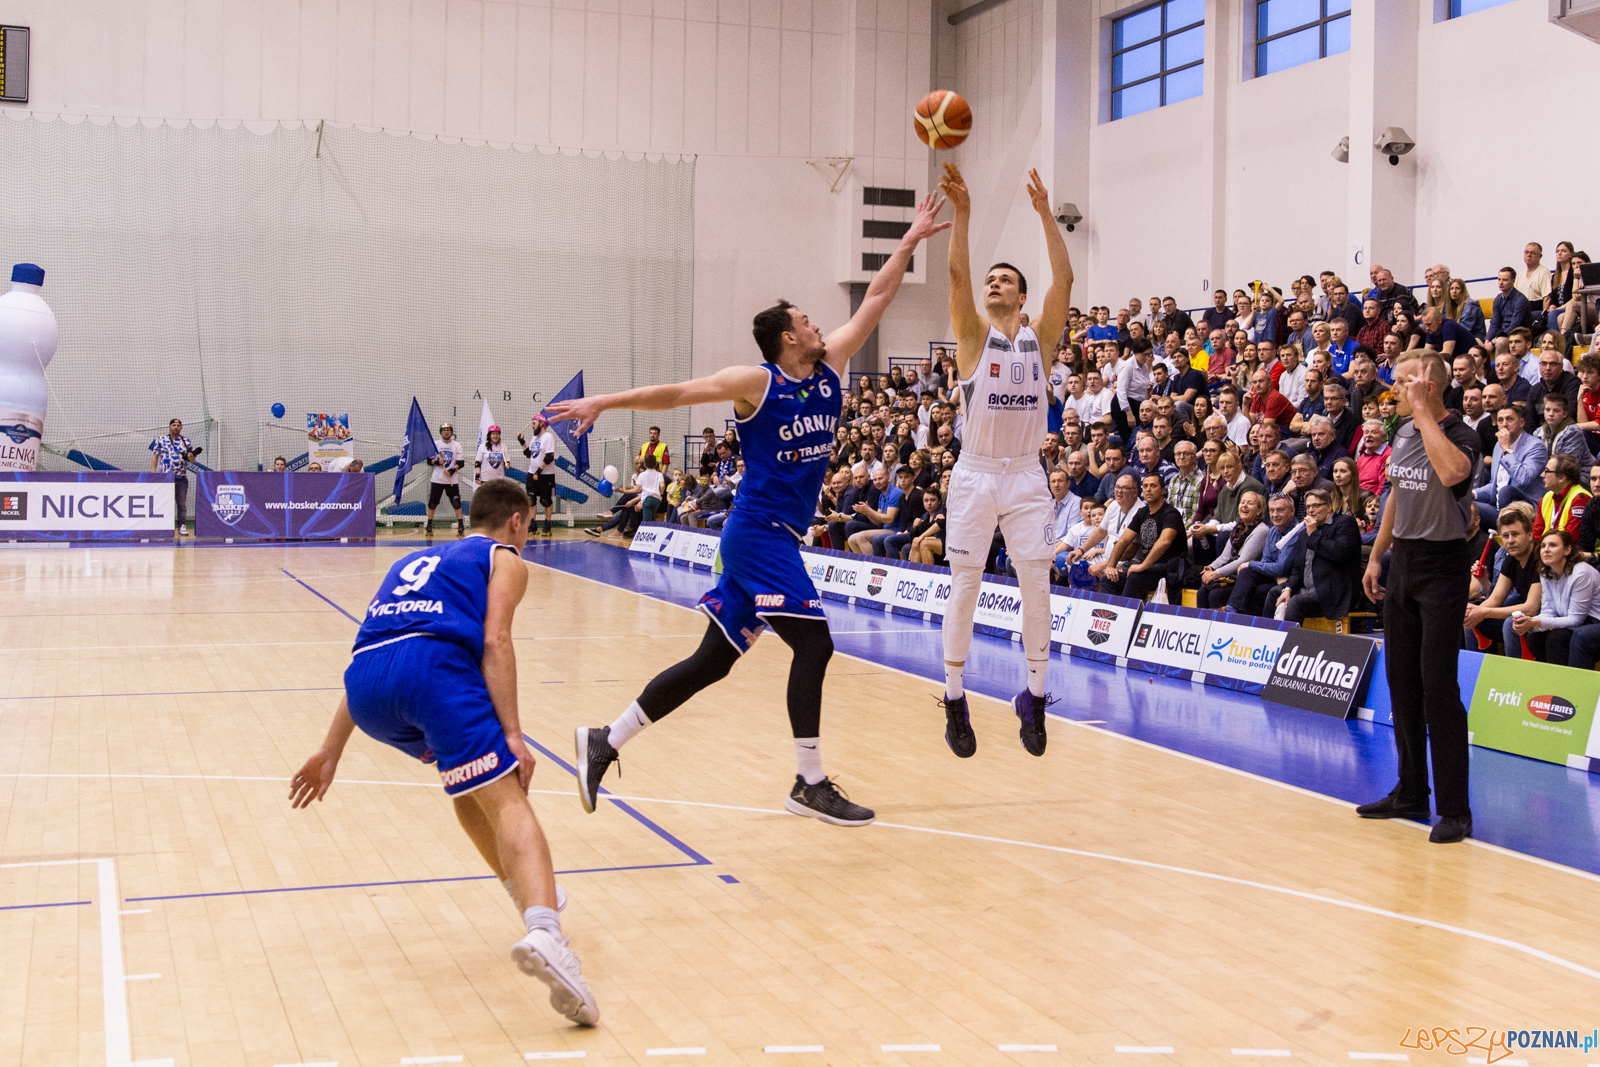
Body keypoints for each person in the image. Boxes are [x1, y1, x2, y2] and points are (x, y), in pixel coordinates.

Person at [550, 192, 947, 827]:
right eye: (810, 320)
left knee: (712, 661)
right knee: (815, 645)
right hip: (756, 534)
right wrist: (606, 400)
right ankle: (809, 782)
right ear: (789, 336)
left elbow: (875, 299)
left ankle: (606, 739)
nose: (821, 326)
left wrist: (909, 241)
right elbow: (679, 393)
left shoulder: (830, 367)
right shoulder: (757, 384)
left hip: (773, 539)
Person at [287, 479, 599, 1026]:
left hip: (365, 689)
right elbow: (495, 640)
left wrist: (330, 750)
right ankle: (546, 931)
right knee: (508, 796)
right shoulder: (505, 557)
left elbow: (383, 647)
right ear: (518, 522)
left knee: (466, 784)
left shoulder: (416, 557)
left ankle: (528, 894)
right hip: (432, 676)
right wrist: (515, 735)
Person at [933, 163, 1072, 761]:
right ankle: (956, 697)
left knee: (1036, 583)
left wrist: (1044, 214)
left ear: (1019, 294)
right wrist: (962, 215)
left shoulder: (1040, 340)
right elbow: (958, 272)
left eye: (1004, 279)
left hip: (1025, 475)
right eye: (990, 278)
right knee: (964, 583)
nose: (992, 283)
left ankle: (1034, 698)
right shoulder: (971, 335)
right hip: (975, 473)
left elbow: (1063, 280)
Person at [1359, 351, 1481, 844]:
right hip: (1404, 561)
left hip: (1443, 566)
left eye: (1406, 381)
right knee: (1402, 685)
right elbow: (1395, 496)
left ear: (1429, 386)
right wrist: (1376, 556)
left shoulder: (1460, 435)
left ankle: (1455, 810)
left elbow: (1452, 475)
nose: (1394, 388)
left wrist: (1426, 411)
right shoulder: (1403, 432)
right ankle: (1411, 791)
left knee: (1438, 690)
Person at [1510, 530, 1600, 664]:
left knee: (1557, 638)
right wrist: (1529, 623)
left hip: (1593, 622)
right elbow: (1548, 611)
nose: (1546, 550)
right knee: (1535, 635)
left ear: (1567, 550)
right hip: (1572, 621)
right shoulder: (1545, 573)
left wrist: (1535, 622)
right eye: (1543, 546)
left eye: (1552, 545)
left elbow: (1576, 619)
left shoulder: (1581, 573)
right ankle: (1542, 681)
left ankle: (1566, 684)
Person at [1273, 489, 1361, 623]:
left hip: (1333, 592)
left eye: (1315, 506)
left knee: (1296, 602)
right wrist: (1288, 588)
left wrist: (1314, 535)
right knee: (1274, 593)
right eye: (1308, 507)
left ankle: (1289, 642)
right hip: (1307, 590)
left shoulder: (1345, 523)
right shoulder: (1305, 533)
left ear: (1328, 507)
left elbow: (1340, 552)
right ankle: (1270, 640)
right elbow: (1297, 569)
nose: (1311, 510)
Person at [1464, 503, 1540, 653]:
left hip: (1547, 617)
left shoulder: (1539, 559)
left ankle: (1515, 675)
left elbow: (1531, 607)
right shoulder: (1511, 559)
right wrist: (1473, 612)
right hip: (1527, 616)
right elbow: (1495, 599)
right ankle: (1480, 674)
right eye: (1505, 536)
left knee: (1510, 624)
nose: (1510, 540)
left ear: (1530, 535)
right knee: (1473, 622)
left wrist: (1483, 612)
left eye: (1515, 534)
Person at [1098, 473, 1185, 600]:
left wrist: (1142, 566)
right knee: (1109, 579)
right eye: (1145, 486)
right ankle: (1108, 614)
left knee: (1135, 577)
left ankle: (1125, 615)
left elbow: (1164, 542)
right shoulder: (1142, 513)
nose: (1148, 489)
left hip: (1169, 568)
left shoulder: (1171, 514)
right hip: (1149, 568)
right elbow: (1123, 541)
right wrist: (1110, 566)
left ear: (1163, 490)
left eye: (1153, 486)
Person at [1225, 493, 1302, 615]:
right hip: (1276, 577)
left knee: (1257, 586)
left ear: (1292, 511)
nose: (1275, 515)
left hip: (1291, 580)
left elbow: (1282, 568)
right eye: (1272, 510)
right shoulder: (1272, 531)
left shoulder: (1297, 532)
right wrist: (1273, 574)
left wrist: (1251, 563)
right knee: (1247, 572)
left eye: (1280, 510)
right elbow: (1266, 561)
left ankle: (1240, 618)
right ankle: (1231, 611)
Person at [1198, 490, 1267, 609]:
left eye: (1250, 503)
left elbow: (1243, 560)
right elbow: (1225, 556)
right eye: (1242, 502)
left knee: (1215, 594)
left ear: (1259, 510)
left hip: (1244, 579)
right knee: (1202, 592)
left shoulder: (1262, 530)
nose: (1244, 505)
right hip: (1230, 574)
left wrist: (1216, 573)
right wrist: (1211, 567)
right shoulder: (1238, 528)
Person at [149, 418, 199, 536]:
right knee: (163, 502)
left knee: (181, 503)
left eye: (178, 425)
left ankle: (182, 526)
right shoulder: (161, 440)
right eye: (173, 425)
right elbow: (155, 456)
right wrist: (153, 471)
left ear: (181, 427)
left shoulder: (186, 442)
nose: (176, 427)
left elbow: (191, 460)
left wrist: (192, 455)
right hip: (166, 477)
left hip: (181, 477)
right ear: (170, 427)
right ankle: (162, 526)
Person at [518, 417, 560, 536]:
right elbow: (530, 455)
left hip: (545, 475)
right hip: (532, 473)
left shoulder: (548, 437)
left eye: (534, 423)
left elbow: (549, 457)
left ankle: (547, 525)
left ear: (542, 424)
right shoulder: (535, 438)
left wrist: (538, 472)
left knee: (545, 500)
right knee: (531, 500)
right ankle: (533, 526)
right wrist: (522, 442)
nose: (532, 425)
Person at [426, 422, 466, 537]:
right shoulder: (436, 444)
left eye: (448, 430)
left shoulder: (456, 445)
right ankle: (429, 524)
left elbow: (460, 463)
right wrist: (437, 462)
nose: (446, 432)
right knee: (433, 503)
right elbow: (429, 461)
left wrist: (452, 470)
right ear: (441, 432)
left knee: (456, 502)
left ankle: (460, 524)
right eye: (444, 430)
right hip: (437, 479)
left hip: (451, 480)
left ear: (451, 432)